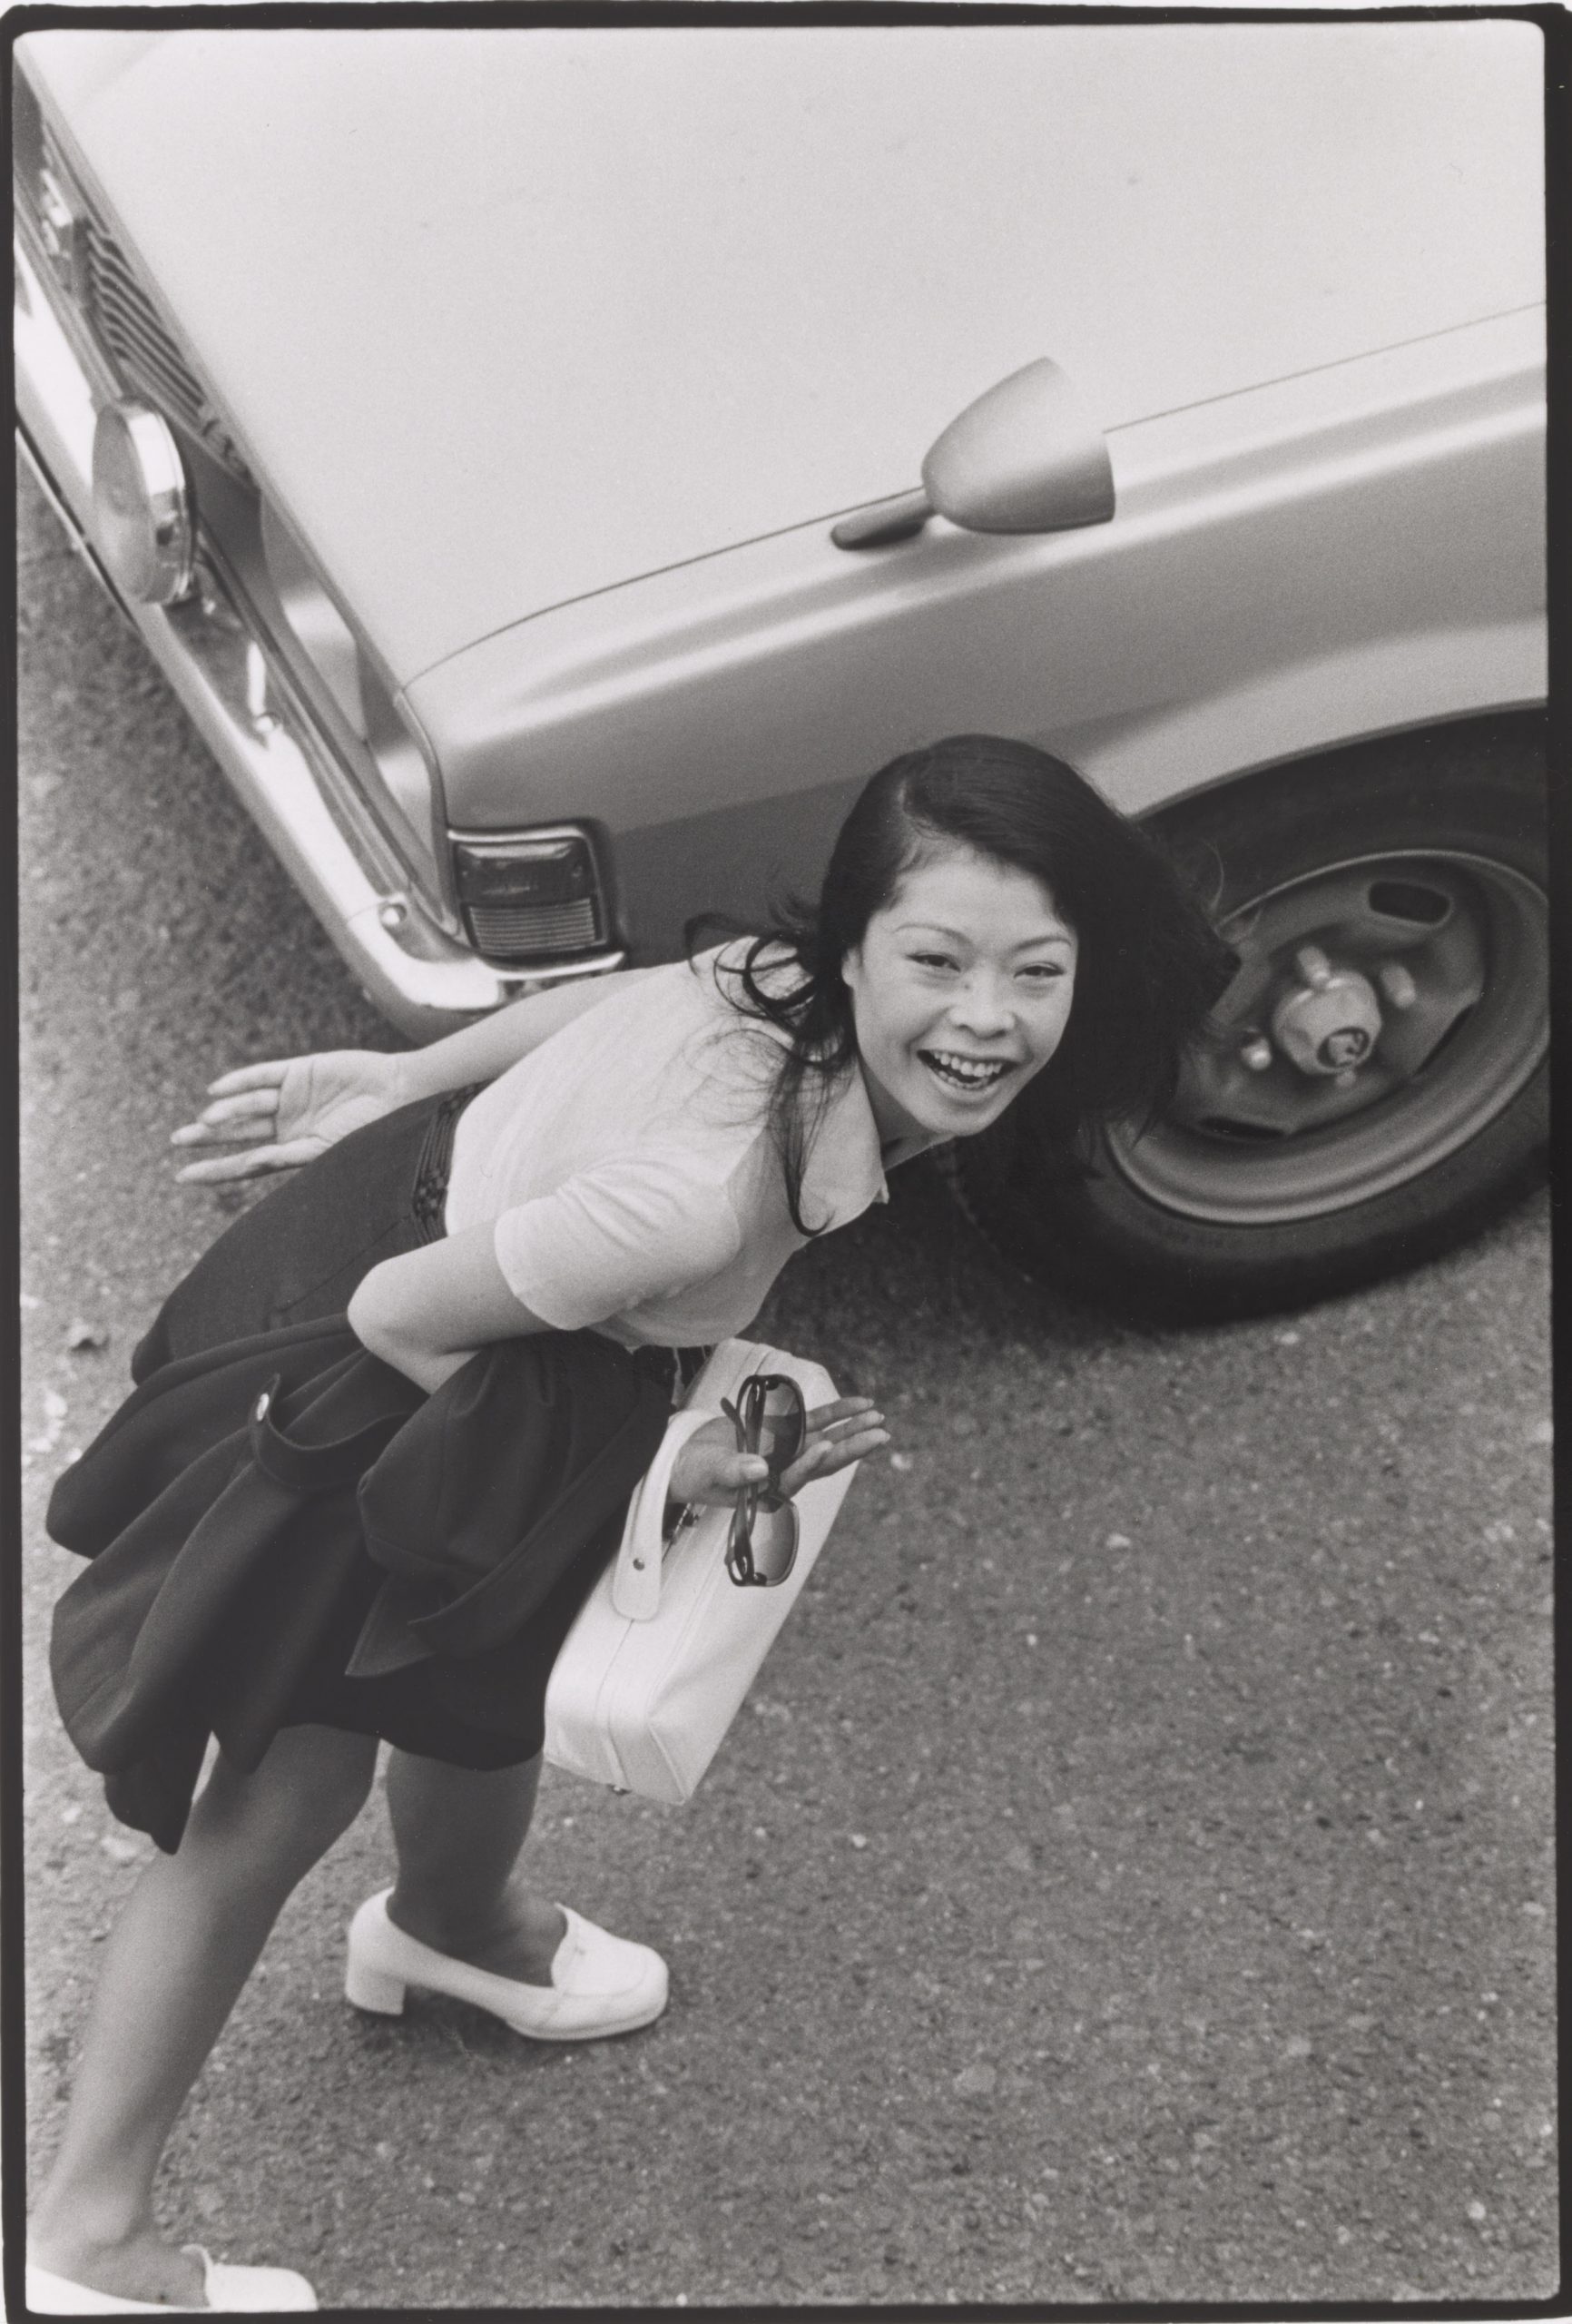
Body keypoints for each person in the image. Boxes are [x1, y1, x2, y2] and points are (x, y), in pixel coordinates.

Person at [28, 734, 1232, 2311]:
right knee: (280, 1791)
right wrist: (672, 1467)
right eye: (939, 961)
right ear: (857, 947)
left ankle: (452, 1927)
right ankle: (89, 2243)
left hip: (483, 1261)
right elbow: (402, 1321)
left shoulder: (771, 982)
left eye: (1036, 969)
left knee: (485, 1660)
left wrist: (408, 1074)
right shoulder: (696, 1194)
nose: (987, 1017)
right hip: (404, 1364)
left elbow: (604, 1005)